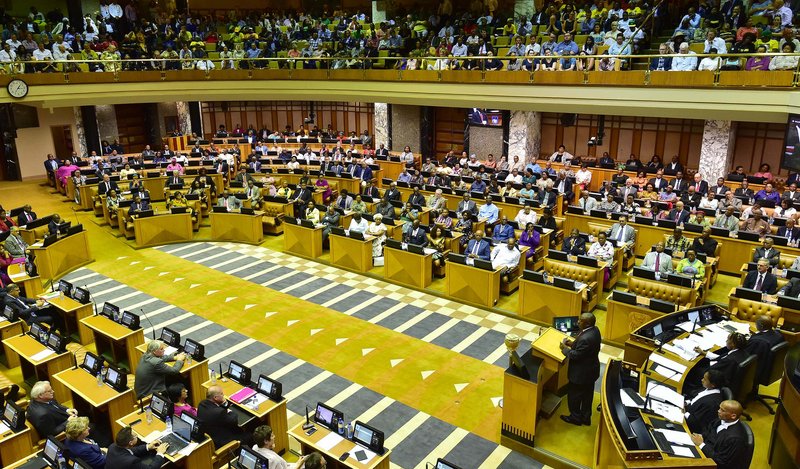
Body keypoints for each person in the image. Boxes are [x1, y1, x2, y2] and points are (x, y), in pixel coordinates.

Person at [559, 313, 601, 426]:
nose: (577, 322)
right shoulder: (595, 330)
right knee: (588, 395)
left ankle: (575, 418)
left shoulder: (586, 338)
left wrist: (564, 349)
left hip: (580, 373)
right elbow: (584, 348)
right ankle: (586, 417)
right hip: (591, 371)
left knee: (574, 396)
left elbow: (576, 355)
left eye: (580, 321)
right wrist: (572, 343)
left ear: (587, 323)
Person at [690, 400, 750, 469]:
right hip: (704, 452)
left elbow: (721, 462)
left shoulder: (735, 438)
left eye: (723, 410)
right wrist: (701, 436)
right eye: (719, 408)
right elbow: (708, 430)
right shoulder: (722, 419)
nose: (718, 411)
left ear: (733, 416)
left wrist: (701, 444)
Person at [105, 425, 169, 468]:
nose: (137, 436)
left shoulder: (112, 447)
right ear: (131, 443)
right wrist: (160, 453)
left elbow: (131, 451)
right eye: (135, 436)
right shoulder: (132, 461)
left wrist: (148, 447)